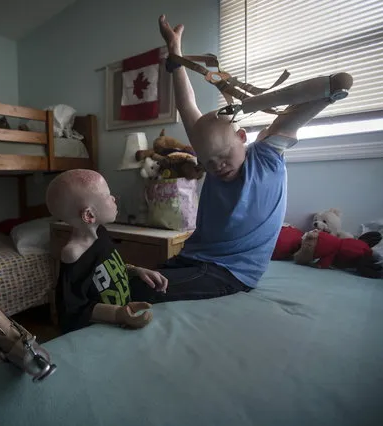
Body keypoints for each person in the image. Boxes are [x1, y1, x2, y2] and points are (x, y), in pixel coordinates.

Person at [129, 16, 354, 304]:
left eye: (223, 156)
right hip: (193, 257)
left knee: (139, 292)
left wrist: (250, 104)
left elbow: (333, 86)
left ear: (243, 137)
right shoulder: (211, 154)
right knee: (130, 280)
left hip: (230, 272)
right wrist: (174, 52)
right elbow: (187, 105)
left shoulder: (267, 156)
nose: (217, 166)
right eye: (208, 162)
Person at [46, 168, 168, 334]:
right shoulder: (73, 253)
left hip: (121, 318)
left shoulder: (100, 232)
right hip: (98, 329)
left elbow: (108, 267)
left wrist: (136, 270)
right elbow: (73, 306)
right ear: (89, 215)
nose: (114, 199)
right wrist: (118, 314)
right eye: (108, 195)